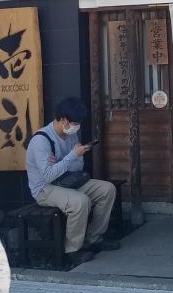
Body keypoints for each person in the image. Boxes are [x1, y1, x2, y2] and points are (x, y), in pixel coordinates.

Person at [25, 97, 118, 265]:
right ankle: (73, 250)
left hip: (68, 181)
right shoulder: (41, 140)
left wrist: (62, 162)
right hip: (45, 189)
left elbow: (78, 166)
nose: (77, 126)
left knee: (107, 189)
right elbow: (48, 176)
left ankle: (94, 238)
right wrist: (71, 156)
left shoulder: (71, 135)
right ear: (63, 120)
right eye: (75, 123)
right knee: (80, 201)